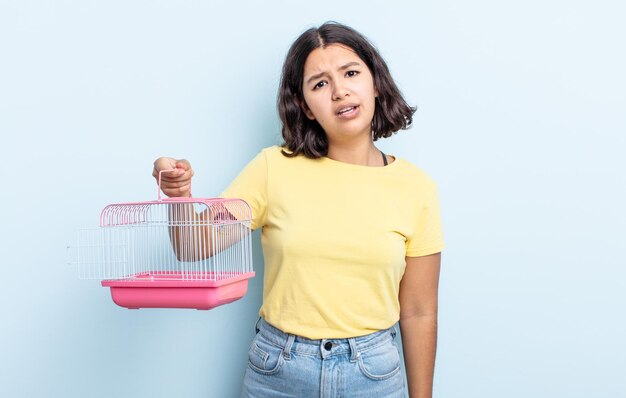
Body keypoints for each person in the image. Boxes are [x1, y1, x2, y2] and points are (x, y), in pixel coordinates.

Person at [153, 22, 444, 398]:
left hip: (373, 375)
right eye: (320, 84)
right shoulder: (273, 169)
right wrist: (178, 195)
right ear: (305, 106)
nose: (340, 91)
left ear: (375, 82)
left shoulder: (415, 187)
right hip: (278, 371)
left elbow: (420, 312)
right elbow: (193, 247)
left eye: (351, 73)